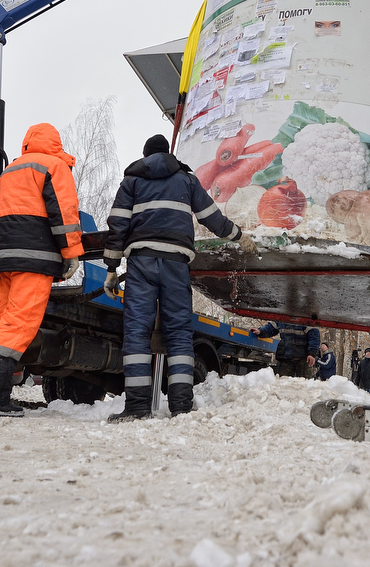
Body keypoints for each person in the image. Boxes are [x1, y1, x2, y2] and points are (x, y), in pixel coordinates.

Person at [102, 134, 255, 421]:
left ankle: (137, 407)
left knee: (136, 333)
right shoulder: (186, 180)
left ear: (145, 156)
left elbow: (118, 225)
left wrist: (111, 268)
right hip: (176, 264)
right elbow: (211, 216)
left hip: (142, 262)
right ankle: (181, 406)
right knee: (179, 334)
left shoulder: (132, 181)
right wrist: (238, 235)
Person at [0, 123, 82, 417]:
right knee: (20, 326)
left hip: (5, 257)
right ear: (55, 142)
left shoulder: (11, 169)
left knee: (5, 323)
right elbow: (64, 213)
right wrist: (71, 254)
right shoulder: (54, 166)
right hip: (34, 258)